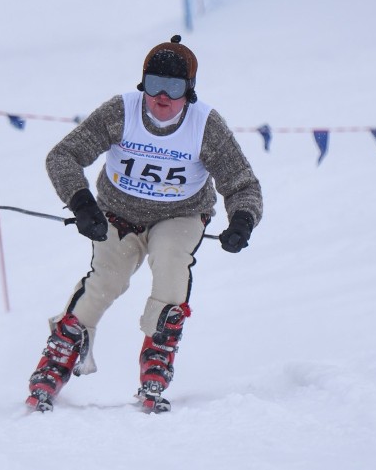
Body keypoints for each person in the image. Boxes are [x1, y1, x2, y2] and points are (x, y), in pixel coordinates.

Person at [26, 35, 263, 413]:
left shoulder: (206, 126)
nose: (162, 98)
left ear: (190, 92)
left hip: (180, 214)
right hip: (118, 213)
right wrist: (81, 202)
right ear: (143, 85)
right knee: (108, 278)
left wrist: (243, 221)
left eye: (173, 88)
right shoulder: (121, 111)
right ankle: (60, 354)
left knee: (170, 260)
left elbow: (242, 184)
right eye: (154, 86)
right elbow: (63, 156)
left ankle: (157, 354)